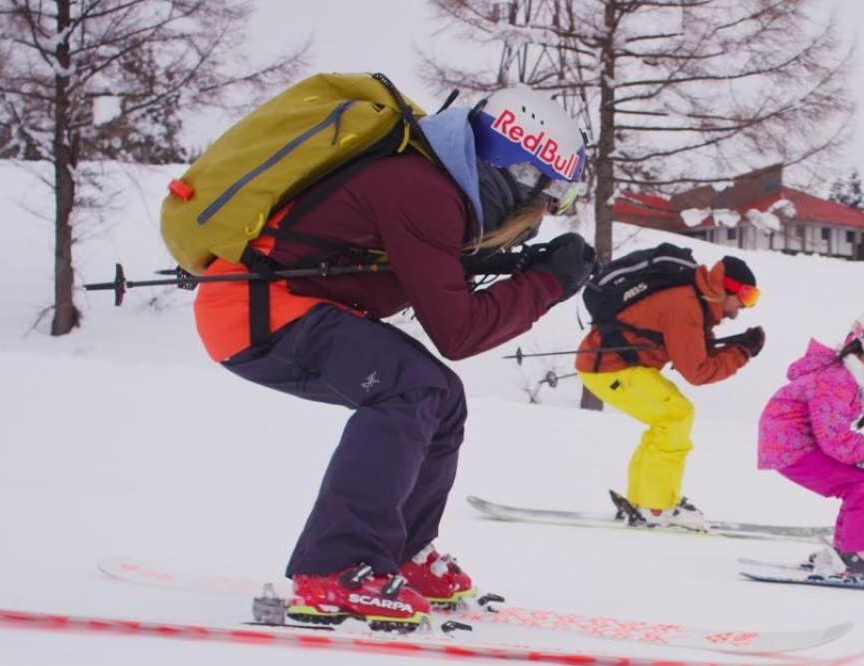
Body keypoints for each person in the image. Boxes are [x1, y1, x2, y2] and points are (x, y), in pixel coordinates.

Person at [193, 86, 595, 631]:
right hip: (253, 310)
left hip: (280, 308)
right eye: (550, 197)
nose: (544, 214)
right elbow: (459, 331)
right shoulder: (422, 189)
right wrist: (547, 282)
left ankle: (402, 551)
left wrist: (525, 268)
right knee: (413, 388)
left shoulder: (431, 187)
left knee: (441, 396)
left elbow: (432, 272)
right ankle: (337, 567)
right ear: (518, 172)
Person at [573, 256, 766, 531]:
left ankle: (645, 501)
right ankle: (656, 506)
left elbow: (698, 353)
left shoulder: (695, 300)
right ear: (724, 288)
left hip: (612, 366)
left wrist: (737, 346)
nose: (742, 309)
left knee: (668, 420)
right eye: (745, 297)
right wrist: (741, 353)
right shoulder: (685, 305)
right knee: (676, 416)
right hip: (609, 369)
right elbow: (697, 371)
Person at [756, 309, 864, 580]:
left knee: (859, 482)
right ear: (856, 343)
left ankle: (849, 548)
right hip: (792, 445)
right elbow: (833, 437)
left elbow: (832, 434)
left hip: (792, 443)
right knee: (861, 483)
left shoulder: (844, 380)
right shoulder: (837, 381)